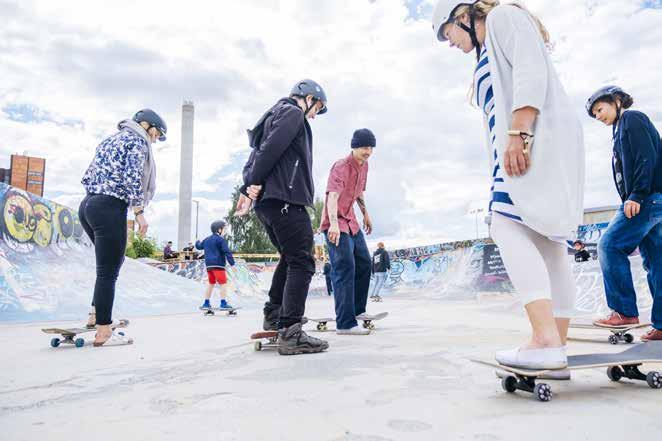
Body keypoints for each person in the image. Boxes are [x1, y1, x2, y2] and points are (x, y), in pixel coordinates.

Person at [432, 1, 584, 371]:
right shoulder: (485, 50)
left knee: (503, 223)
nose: (447, 42)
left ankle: (545, 338)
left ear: (463, 16)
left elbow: (530, 72)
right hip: (533, 142)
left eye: (446, 32)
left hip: (531, 141)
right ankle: (556, 345)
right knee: (549, 241)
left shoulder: (502, 18)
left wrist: (518, 134)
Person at [237, 79, 329, 355]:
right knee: (303, 261)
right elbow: (272, 149)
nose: (314, 114)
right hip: (286, 200)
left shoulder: (272, 116)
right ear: (308, 98)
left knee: (290, 259)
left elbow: (257, 155)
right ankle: (291, 332)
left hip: (269, 203)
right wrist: (251, 183)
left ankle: (275, 315)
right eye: (317, 107)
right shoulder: (292, 112)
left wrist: (249, 184)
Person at [80, 108, 167, 346]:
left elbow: (88, 174)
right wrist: (139, 212)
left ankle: (96, 315)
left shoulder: (110, 139)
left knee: (108, 266)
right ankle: (103, 329)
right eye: (157, 134)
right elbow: (132, 177)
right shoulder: (137, 142)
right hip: (109, 207)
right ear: (147, 126)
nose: (155, 140)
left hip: (87, 205)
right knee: (108, 271)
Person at [586, 86, 662, 341]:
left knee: (609, 245)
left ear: (617, 101)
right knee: (657, 263)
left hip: (647, 199)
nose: (598, 116)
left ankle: (623, 311)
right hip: (654, 200)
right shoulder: (618, 131)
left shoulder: (631, 118)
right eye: (595, 114)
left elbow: (646, 157)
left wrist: (637, 195)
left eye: (600, 109)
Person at [321, 128, 376, 335]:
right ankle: (345, 323)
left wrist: (365, 214)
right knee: (345, 268)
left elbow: (359, 191)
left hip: (352, 222)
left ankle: (357, 310)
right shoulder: (340, 166)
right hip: (336, 224)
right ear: (354, 147)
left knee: (363, 262)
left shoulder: (365, 166)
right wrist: (333, 224)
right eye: (364, 147)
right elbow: (332, 196)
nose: (368, 151)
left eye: (370, 147)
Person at [196, 220, 236, 309]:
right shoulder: (221, 240)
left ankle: (206, 303)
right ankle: (223, 303)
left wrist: (197, 241)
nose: (225, 231)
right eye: (224, 229)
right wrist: (232, 264)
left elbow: (199, 246)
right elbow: (227, 252)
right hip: (218, 265)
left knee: (211, 284)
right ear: (219, 230)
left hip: (209, 266)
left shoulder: (207, 239)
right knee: (223, 284)